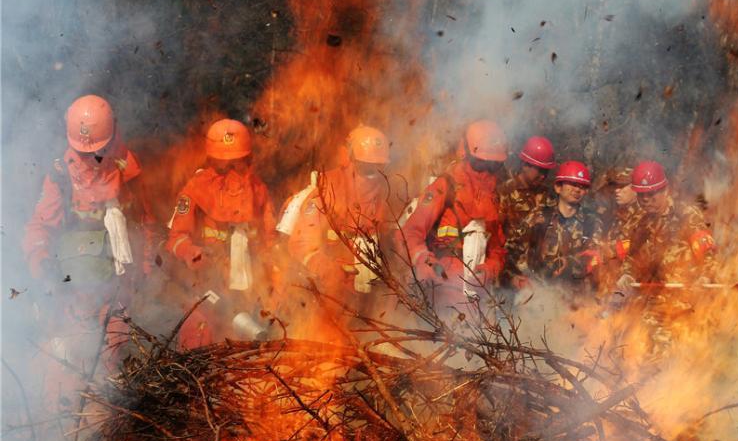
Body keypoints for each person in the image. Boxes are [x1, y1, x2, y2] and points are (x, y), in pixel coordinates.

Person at [23, 94, 154, 408]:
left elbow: (145, 222)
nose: (89, 156)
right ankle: (58, 434)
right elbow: (39, 226)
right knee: (64, 366)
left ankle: (111, 434)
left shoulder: (127, 168)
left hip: (117, 288)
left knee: (115, 362)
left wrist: (146, 268)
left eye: (96, 149)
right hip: (72, 287)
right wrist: (42, 263)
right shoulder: (59, 174)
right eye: (83, 150)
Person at [165, 118, 276, 347]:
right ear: (211, 159)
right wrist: (190, 252)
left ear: (247, 158)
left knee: (246, 348)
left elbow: (270, 241)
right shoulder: (195, 188)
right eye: (223, 163)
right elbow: (175, 238)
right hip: (206, 286)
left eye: (237, 162)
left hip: (248, 290)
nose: (231, 169)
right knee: (200, 335)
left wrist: (271, 282)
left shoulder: (258, 190)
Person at [276, 124, 393, 330]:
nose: (372, 173)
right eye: (365, 166)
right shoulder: (327, 188)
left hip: (371, 292)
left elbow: (396, 243)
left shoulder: (389, 193)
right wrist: (323, 267)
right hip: (330, 291)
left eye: (377, 167)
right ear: (351, 158)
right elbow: (302, 241)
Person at [607, 160, 717, 357]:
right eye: (641, 196)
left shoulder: (687, 215)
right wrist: (626, 275)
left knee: (662, 352)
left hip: (683, 301)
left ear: (665, 190)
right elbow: (633, 258)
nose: (646, 200)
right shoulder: (641, 223)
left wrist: (705, 278)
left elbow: (707, 254)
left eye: (651, 194)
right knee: (625, 343)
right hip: (651, 300)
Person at [399, 120, 507, 315]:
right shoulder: (445, 186)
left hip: (478, 295)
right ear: (465, 153)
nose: (486, 170)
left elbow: (498, 249)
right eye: (481, 163)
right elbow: (411, 231)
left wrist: (490, 268)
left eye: (493, 165)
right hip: (443, 289)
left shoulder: (494, 196)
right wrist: (424, 258)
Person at [507, 161, 603, 292]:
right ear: (558, 187)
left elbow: (595, 257)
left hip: (574, 297)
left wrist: (570, 263)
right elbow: (512, 249)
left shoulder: (591, 222)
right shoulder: (539, 216)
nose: (578, 189)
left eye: (583, 186)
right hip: (538, 293)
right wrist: (514, 277)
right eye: (573, 184)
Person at [499, 136, 556, 285]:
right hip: (510, 275)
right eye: (540, 169)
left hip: (537, 276)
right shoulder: (505, 192)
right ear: (525, 165)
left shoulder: (547, 195)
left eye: (547, 171)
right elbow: (496, 239)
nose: (543, 175)